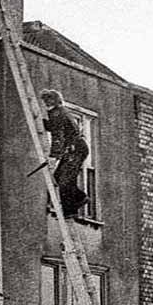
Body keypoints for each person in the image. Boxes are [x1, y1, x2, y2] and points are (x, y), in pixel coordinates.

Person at [39, 89, 93, 217]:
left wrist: (53, 156)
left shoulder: (57, 113)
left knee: (64, 180)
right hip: (73, 148)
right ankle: (78, 200)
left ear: (54, 101)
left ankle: (71, 209)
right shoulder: (59, 112)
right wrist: (44, 124)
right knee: (60, 177)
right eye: (45, 100)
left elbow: (58, 136)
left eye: (48, 100)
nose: (46, 103)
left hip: (75, 149)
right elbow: (56, 128)